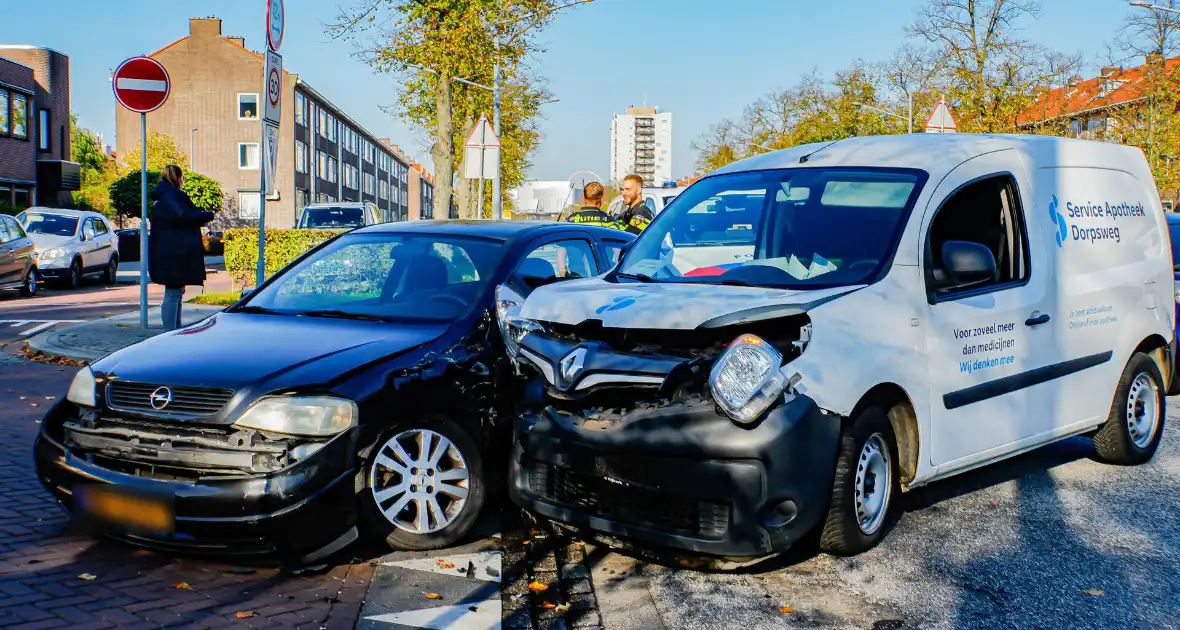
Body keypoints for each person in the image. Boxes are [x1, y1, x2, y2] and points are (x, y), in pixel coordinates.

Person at [149, 165, 215, 331]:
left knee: (176, 292)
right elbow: (182, 217)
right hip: (174, 254)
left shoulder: (165, 197)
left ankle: (174, 329)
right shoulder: (171, 197)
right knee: (173, 293)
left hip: (168, 252)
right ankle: (170, 331)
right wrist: (206, 215)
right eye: (182, 177)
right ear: (177, 178)